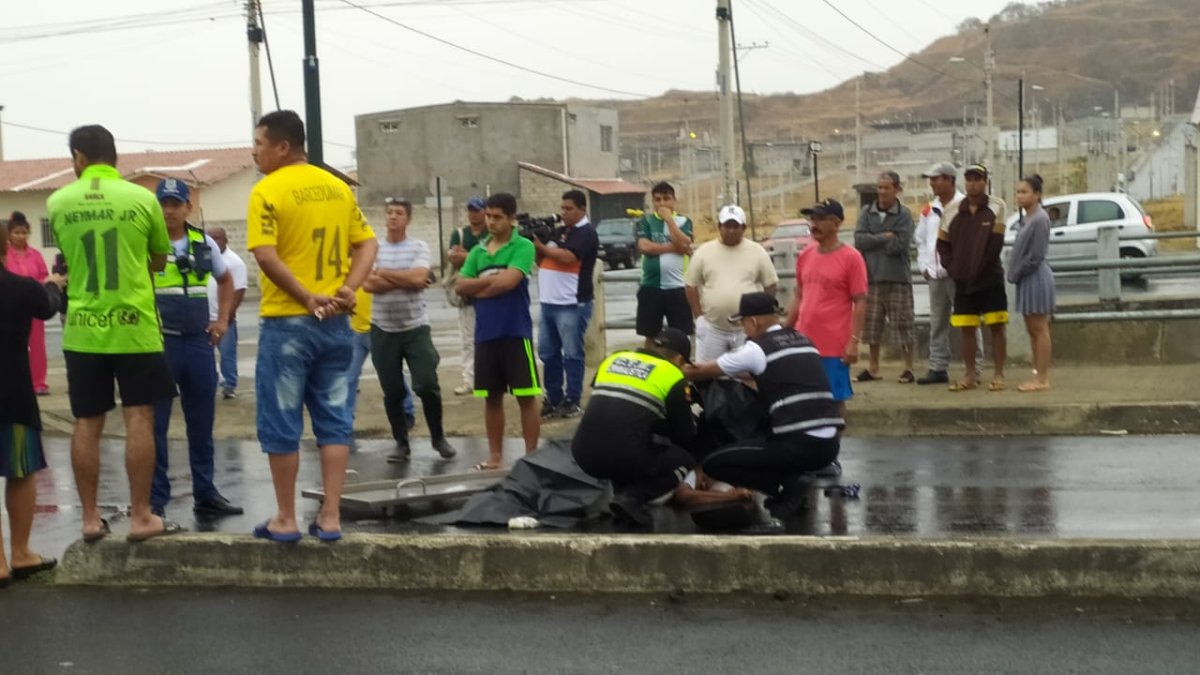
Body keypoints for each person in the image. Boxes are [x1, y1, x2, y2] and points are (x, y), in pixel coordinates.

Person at [247, 110, 378, 543]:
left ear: (282, 147)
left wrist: (306, 297)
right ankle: (331, 515)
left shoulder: (266, 191)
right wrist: (348, 290)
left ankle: (286, 517)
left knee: (282, 420)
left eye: (260, 143)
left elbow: (265, 255)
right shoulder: (338, 188)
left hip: (288, 322)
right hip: (339, 323)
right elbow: (368, 242)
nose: (255, 152)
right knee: (335, 420)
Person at [48, 124, 182, 542]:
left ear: (79, 158)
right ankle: (141, 516)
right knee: (139, 416)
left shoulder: (58, 202)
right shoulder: (142, 198)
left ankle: (90, 519)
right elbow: (159, 260)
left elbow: (69, 258)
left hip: (84, 329)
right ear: (115, 158)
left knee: (86, 422)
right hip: (134, 326)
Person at [686, 292, 844, 516]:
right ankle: (793, 486)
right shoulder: (804, 340)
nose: (743, 330)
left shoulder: (756, 348)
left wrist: (668, 367)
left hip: (799, 443)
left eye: (743, 324)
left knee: (714, 463)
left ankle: (785, 486)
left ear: (753, 321)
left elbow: (702, 371)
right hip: (830, 446)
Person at [148, 179, 243, 519]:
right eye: (164, 203)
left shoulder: (204, 243)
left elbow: (226, 280)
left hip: (198, 343)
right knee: (155, 425)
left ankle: (205, 493)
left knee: (201, 422)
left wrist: (223, 322)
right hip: (161, 344)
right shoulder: (147, 242)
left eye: (176, 203)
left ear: (188, 206)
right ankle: (155, 500)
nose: (169, 210)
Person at [571, 328, 698, 526]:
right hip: (623, 457)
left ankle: (620, 496)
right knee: (685, 459)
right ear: (679, 360)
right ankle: (633, 497)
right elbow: (684, 434)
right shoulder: (672, 375)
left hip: (582, 454)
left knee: (628, 438)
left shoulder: (614, 358)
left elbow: (614, 405)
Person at [364, 197, 455, 462]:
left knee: (427, 384)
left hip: (415, 327)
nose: (393, 217)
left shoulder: (418, 246)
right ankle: (401, 443)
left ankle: (438, 438)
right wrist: (405, 279)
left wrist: (385, 273)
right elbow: (369, 284)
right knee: (392, 390)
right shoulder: (373, 248)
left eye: (399, 213)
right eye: (389, 212)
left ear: (408, 219)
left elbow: (419, 278)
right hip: (382, 328)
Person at [456, 192, 540, 471]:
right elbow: (460, 285)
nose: (490, 222)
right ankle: (495, 457)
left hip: (515, 332)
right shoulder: (479, 251)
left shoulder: (523, 246)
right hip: (485, 334)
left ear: (511, 218)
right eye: (488, 216)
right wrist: (488, 284)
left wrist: (480, 286)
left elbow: (509, 282)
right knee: (491, 398)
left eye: (497, 217)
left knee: (526, 396)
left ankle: (531, 456)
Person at [0, 228, 65, 585]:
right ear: (5, 247)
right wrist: (53, 284)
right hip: (14, 396)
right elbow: (48, 307)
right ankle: (22, 553)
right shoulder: (22, 288)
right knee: (21, 472)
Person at [783, 199, 867, 429]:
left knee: (834, 401)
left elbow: (860, 302)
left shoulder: (851, 258)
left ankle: (834, 451)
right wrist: (785, 330)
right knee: (805, 398)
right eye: (812, 219)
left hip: (834, 346)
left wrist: (854, 342)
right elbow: (800, 295)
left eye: (820, 219)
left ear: (836, 223)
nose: (814, 224)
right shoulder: (807, 254)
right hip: (804, 342)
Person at [937, 164, 1008, 392]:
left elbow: (995, 244)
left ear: (985, 181)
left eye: (977, 179)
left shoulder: (997, 206)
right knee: (967, 329)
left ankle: (998, 374)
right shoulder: (952, 210)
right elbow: (943, 245)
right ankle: (969, 375)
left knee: (996, 327)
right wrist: (954, 269)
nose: (973, 183)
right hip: (962, 282)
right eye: (969, 179)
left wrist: (979, 268)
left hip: (990, 280)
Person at [535, 189, 599, 419]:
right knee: (547, 352)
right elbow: (541, 260)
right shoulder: (560, 231)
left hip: (572, 303)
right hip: (548, 302)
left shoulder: (586, 233)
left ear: (582, 209)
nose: (564, 213)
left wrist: (541, 246)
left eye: (569, 208)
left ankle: (572, 400)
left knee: (571, 353)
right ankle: (553, 398)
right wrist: (536, 244)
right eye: (562, 208)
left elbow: (567, 257)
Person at [914, 162, 980, 385]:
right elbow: (921, 240)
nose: (933, 183)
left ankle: (974, 368)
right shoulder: (929, 210)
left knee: (967, 321)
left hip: (958, 274)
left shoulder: (965, 206)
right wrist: (924, 265)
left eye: (937, 178)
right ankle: (938, 366)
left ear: (950, 180)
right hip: (935, 275)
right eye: (931, 179)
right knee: (938, 322)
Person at [685, 204, 778, 362]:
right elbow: (690, 285)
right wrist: (699, 316)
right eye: (727, 226)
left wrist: (760, 314)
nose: (731, 231)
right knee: (708, 375)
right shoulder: (703, 252)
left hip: (746, 330)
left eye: (736, 226)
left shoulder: (757, 251)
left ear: (744, 227)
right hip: (713, 328)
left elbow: (771, 284)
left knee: (748, 374)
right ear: (719, 227)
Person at [853, 170, 916, 383]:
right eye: (879, 187)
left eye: (886, 188)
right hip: (871, 277)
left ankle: (908, 367)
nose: (882, 192)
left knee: (903, 323)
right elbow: (859, 241)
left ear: (896, 189)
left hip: (898, 277)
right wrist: (884, 237)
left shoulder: (904, 214)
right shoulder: (866, 212)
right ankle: (873, 367)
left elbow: (901, 244)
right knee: (872, 326)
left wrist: (874, 241)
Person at [1008, 174, 1056, 392]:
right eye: (1018, 192)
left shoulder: (1040, 219)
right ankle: (1037, 373)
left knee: (1039, 327)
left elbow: (1036, 255)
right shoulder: (1027, 218)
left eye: (1024, 192)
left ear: (1037, 195)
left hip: (1035, 276)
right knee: (1031, 329)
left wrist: (1017, 272)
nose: (1020, 196)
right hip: (1026, 277)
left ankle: (1042, 378)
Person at [635, 181, 694, 345]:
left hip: (677, 287)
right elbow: (644, 246)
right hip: (651, 286)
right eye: (657, 199)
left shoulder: (684, 221)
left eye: (666, 199)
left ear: (674, 200)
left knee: (681, 334)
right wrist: (674, 247)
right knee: (650, 334)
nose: (662, 203)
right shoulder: (646, 221)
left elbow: (685, 244)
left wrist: (669, 220)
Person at [3, 213, 51, 396]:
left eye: (24, 233)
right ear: (9, 234)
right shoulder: (6, 255)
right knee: (14, 344)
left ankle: (39, 382)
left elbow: (43, 276)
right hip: (12, 306)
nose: (20, 236)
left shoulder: (36, 255)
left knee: (37, 345)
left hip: (32, 303)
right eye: (17, 233)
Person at [447, 196, 488, 396]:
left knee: (488, 339)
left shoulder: (490, 232)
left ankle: (487, 378)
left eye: (477, 210)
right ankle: (469, 379)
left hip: (489, 295)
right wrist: (474, 255)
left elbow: (490, 258)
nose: (473, 214)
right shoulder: (460, 234)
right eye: (471, 210)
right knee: (468, 340)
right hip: (468, 296)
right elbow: (454, 258)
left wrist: (468, 256)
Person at [205, 226, 247, 399]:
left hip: (224, 318)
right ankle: (209, 383)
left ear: (226, 239)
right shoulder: (204, 257)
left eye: (217, 238)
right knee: (205, 354)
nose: (214, 241)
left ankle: (229, 385)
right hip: (204, 317)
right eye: (210, 238)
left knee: (227, 354)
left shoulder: (235, 262)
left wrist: (227, 316)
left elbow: (239, 290)